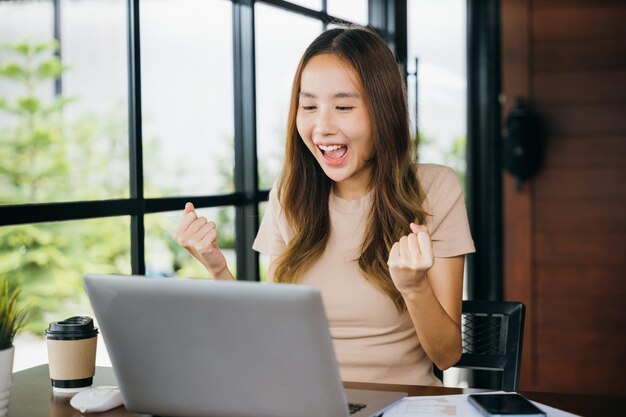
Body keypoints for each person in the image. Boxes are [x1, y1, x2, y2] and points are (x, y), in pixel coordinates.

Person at [172, 25, 475, 386]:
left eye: (344, 107)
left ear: (384, 112)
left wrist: (414, 287)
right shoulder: (290, 192)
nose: (322, 127)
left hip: (400, 405)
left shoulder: (434, 189)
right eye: (309, 106)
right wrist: (218, 268)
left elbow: (447, 354)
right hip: (299, 402)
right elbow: (267, 341)